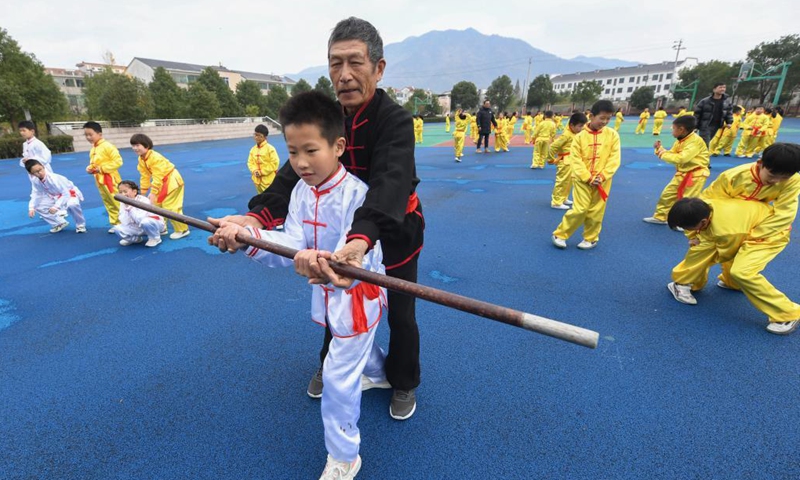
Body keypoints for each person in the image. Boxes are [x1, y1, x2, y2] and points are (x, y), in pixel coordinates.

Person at [208, 17, 424, 422]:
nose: (344, 75)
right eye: (335, 63)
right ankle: (335, 361)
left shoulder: (394, 121)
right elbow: (291, 177)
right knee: (333, 294)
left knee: (400, 312)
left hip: (391, 231)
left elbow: (390, 184)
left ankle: (403, 380)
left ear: (378, 68)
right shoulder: (327, 119)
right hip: (336, 227)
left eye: (355, 63)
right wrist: (250, 218)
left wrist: (360, 242)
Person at [216, 91, 389, 478]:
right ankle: (379, 373)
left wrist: (328, 260)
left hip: (357, 296)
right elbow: (292, 243)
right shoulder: (300, 191)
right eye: (293, 152)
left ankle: (345, 456)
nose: (301, 162)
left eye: (311, 150)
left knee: (337, 378)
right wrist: (249, 236)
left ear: (339, 146)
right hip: (328, 295)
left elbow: (358, 258)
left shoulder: (356, 195)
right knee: (354, 349)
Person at [666, 196, 799, 335]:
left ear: (704, 221)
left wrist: (699, 243)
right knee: (704, 247)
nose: (685, 230)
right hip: (750, 224)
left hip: (770, 234)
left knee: (742, 272)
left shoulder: (725, 231)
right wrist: (694, 237)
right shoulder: (707, 204)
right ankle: (730, 282)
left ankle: (787, 314)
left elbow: (725, 253)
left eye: (686, 227)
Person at [552, 100, 620, 249]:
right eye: (602, 118)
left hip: (603, 181)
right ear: (591, 116)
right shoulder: (580, 137)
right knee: (580, 209)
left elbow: (614, 159)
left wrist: (602, 176)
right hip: (583, 180)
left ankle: (591, 238)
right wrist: (587, 177)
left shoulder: (613, 135)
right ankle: (560, 234)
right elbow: (575, 160)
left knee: (596, 211)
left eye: (608, 118)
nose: (605, 121)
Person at [643, 115, 710, 225]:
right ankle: (660, 216)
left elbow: (682, 158)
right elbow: (672, 154)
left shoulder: (695, 141)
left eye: (673, 128)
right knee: (667, 194)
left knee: (688, 201)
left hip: (695, 175)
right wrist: (659, 149)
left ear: (681, 129)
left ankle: (687, 222)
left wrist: (662, 154)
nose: (672, 131)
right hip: (682, 173)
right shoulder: (681, 140)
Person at [130, 134, 190, 240]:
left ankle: (182, 229)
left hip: (171, 182)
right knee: (156, 206)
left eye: (137, 145)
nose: (135, 148)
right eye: (133, 145)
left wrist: (153, 192)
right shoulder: (142, 159)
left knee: (171, 207)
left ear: (146, 146)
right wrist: (142, 193)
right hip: (161, 183)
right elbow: (145, 176)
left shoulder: (155, 157)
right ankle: (162, 227)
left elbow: (158, 176)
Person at [24, 159, 86, 234]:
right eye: (36, 172)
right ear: (31, 173)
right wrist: (31, 208)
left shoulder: (54, 178)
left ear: (43, 167)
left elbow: (65, 193)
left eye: (40, 169)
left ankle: (80, 224)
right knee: (39, 206)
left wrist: (56, 206)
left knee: (72, 205)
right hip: (54, 196)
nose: (40, 173)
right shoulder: (35, 181)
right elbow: (36, 194)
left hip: (69, 193)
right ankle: (59, 223)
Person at [83, 121, 123, 233]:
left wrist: (101, 169)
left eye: (91, 134)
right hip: (100, 180)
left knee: (117, 202)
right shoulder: (94, 148)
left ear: (99, 134)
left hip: (111, 180)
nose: (88, 137)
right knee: (108, 202)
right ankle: (116, 223)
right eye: (86, 135)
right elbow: (95, 162)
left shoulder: (108, 146)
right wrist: (90, 167)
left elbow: (118, 161)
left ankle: (126, 223)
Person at [548, 112, 587, 209]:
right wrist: (551, 159)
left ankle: (563, 198)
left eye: (583, 126)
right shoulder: (566, 135)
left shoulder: (575, 134)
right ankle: (556, 202)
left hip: (572, 161)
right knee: (562, 182)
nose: (582, 128)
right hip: (565, 161)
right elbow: (553, 146)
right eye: (580, 126)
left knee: (569, 182)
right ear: (572, 125)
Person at [114, 180, 163, 248]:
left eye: (125, 191)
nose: (123, 194)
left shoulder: (143, 200)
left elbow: (140, 219)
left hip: (153, 224)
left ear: (134, 192)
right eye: (120, 192)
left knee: (145, 222)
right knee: (117, 229)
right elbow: (124, 221)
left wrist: (130, 208)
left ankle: (155, 238)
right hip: (137, 226)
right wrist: (127, 207)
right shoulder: (123, 203)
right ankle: (135, 239)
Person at [247, 124, 280, 194]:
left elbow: (275, 163)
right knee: (261, 198)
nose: (256, 137)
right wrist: (254, 170)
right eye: (255, 135)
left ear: (265, 137)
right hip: (257, 181)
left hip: (269, 180)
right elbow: (250, 162)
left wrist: (262, 172)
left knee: (271, 199)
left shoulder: (270, 149)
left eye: (259, 136)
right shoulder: (253, 149)